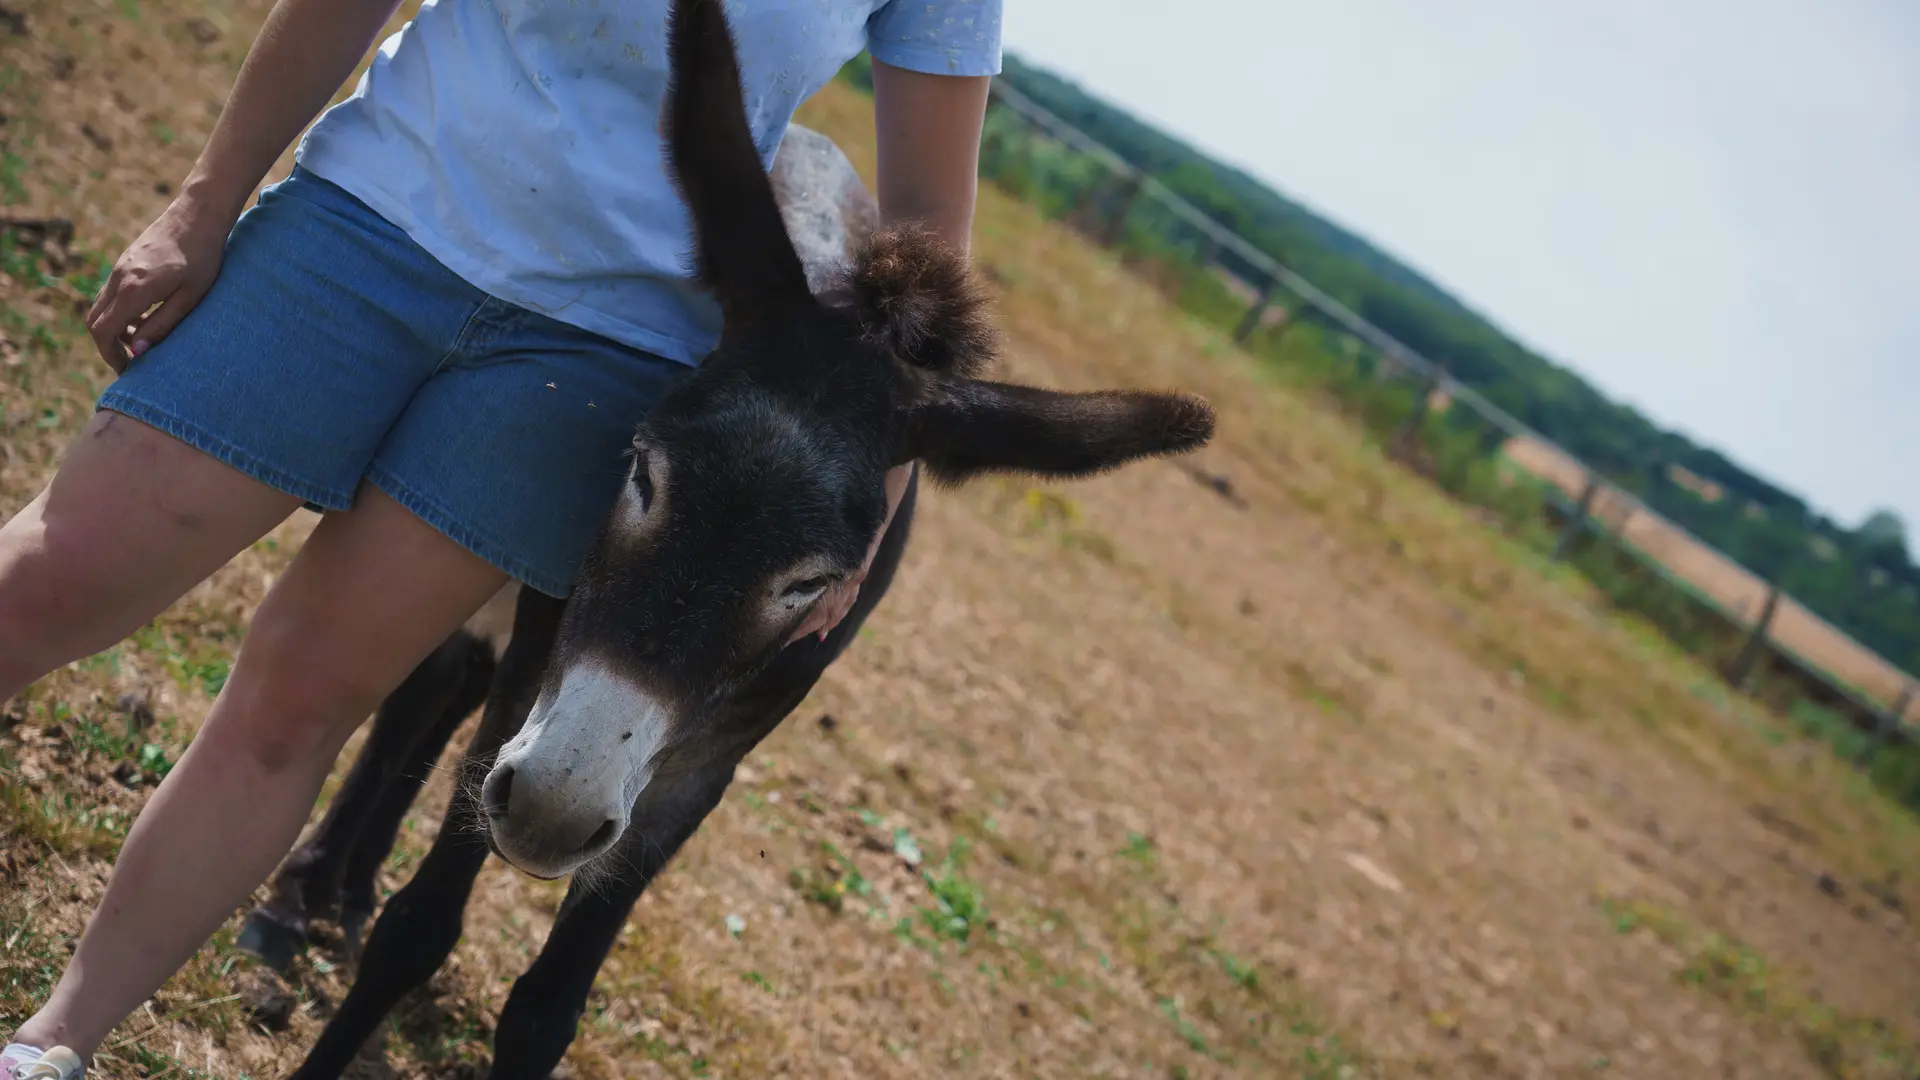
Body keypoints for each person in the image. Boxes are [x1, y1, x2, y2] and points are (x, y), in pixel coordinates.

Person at [0, 0, 1000, 1074]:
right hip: (373, 221)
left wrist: (864, 517)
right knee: (47, 584)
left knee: (298, 705)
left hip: (596, 355)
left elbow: (927, 238)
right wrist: (205, 202)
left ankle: (51, 1048)